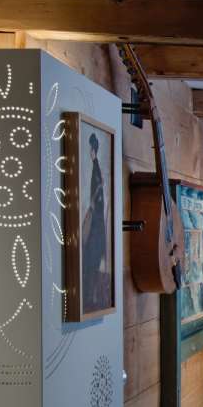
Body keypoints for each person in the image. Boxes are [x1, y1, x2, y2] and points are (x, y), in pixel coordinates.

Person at [80, 132, 111, 314]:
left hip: (96, 226)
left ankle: (90, 297)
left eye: (90, 149)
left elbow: (98, 195)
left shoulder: (96, 167)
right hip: (97, 224)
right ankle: (89, 297)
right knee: (90, 260)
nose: (90, 152)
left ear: (93, 150)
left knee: (90, 260)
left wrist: (92, 205)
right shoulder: (95, 167)